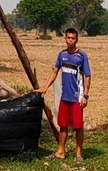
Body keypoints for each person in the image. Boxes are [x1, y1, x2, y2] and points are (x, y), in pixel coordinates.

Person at [35, 27, 91, 161]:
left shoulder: (81, 56)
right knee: (63, 125)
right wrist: (45, 87)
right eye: (68, 38)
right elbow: (55, 72)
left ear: (77, 40)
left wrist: (86, 96)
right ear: (65, 39)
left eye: (73, 38)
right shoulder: (61, 55)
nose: (70, 41)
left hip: (77, 97)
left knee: (78, 126)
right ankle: (61, 152)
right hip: (64, 97)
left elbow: (88, 76)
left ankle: (78, 153)